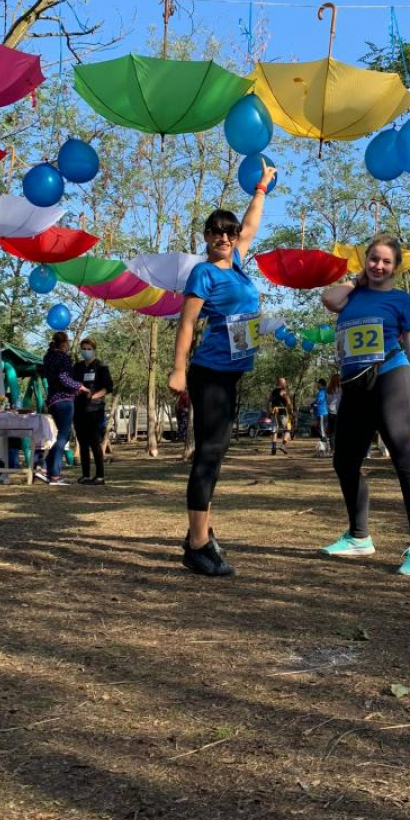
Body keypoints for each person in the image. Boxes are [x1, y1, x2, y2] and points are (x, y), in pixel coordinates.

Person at [167, 160, 276, 576]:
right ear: (206, 237)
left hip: (230, 375)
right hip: (209, 371)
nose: (225, 237)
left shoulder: (240, 265)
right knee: (209, 455)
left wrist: (262, 188)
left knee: (217, 453)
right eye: (216, 232)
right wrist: (179, 370)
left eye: (228, 232)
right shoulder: (204, 273)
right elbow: (188, 322)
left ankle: (203, 531)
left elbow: (250, 226)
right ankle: (196, 545)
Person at [320, 235, 410, 576]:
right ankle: (359, 535)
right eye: (373, 260)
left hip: (391, 378)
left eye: (386, 262)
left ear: (396, 267)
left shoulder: (402, 301)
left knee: (405, 458)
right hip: (354, 387)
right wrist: (354, 281)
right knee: (344, 461)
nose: (379, 266)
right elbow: (328, 299)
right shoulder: (352, 295)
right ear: (366, 262)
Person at [41, 331, 88, 485]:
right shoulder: (63, 357)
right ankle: (54, 475)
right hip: (64, 400)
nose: (68, 346)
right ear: (63, 344)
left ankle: (44, 468)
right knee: (63, 436)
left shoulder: (47, 357)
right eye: (67, 343)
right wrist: (80, 386)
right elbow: (64, 377)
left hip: (53, 400)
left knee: (63, 436)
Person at [72, 337, 114, 485]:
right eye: (84, 348)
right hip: (79, 409)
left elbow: (108, 387)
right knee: (82, 442)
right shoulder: (77, 367)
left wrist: (95, 395)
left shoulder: (101, 367)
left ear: (94, 350)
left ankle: (100, 476)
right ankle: (85, 475)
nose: (86, 351)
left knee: (95, 442)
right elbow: (72, 384)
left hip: (95, 410)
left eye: (89, 349)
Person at [269, 376, 293, 455]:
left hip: (274, 412)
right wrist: (291, 410)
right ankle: (283, 445)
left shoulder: (273, 392)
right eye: (284, 382)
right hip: (282, 413)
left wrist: (268, 411)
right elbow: (288, 402)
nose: (285, 384)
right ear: (282, 383)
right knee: (288, 429)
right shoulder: (283, 391)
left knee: (274, 430)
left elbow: (268, 401)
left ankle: (273, 448)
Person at [325, 373, 342, 452]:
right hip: (338, 412)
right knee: (338, 431)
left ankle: (333, 449)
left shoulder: (328, 390)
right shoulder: (341, 389)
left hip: (330, 412)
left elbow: (327, 401)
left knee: (332, 431)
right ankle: (337, 448)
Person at [312, 378, 329, 455]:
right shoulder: (321, 391)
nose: (316, 385)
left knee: (322, 432)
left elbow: (319, 401)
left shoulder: (322, 391)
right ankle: (323, 450)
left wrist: (314, 404)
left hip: (322, 413)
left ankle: (324, 451)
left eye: (317, 383)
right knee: (320, 431)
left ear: (320, 384)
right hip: (320, 414)